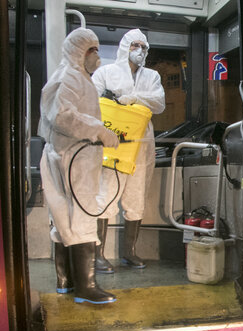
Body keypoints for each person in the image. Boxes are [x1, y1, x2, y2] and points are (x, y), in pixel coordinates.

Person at [38, 28, 120, 305]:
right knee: (83, 214)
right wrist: (99, 131)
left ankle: (66, 281)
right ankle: (87, 286)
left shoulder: (78, 77)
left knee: (63, 217)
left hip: (68, 154)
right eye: (91, 50)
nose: (96, 56)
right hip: (73, 156)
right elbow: (63, 116)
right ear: (76, 51)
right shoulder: (69, 77)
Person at [92, 29, 165, 273]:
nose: (140, 51)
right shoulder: (106, 73)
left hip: (141, 143)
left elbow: (159, 103)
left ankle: (129, 253)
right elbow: (93, 102)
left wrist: (134, 98)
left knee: (136, 197)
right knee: (107, 194)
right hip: (114, 141)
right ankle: (97, 254)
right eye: (135, 45)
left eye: (144, 47)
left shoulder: (152, 76)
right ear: (125, 47)